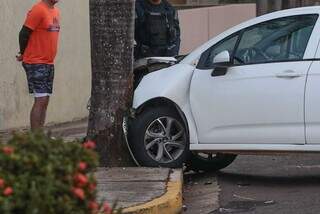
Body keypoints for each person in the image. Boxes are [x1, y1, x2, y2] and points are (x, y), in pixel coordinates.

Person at [16, 0, 60, 131]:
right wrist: (23, 53)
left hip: (48, 62)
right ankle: (35, 139)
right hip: (36, 62)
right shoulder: (38, 9)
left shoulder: (56, 11)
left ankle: (39, 136)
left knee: (45, 100)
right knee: (40, 100)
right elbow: (23, 33)